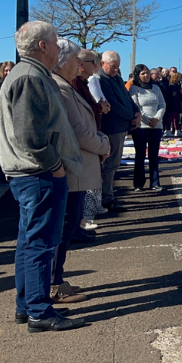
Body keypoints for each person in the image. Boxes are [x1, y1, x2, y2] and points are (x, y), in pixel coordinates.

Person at [0, 21, 85, 332]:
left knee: (30, 241)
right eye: (54, 40)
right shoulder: (30, 77)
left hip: (32, 173)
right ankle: (38, 311)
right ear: (43, 46)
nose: (59, 47)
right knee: (40, 244)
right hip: (37, 173)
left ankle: (27, 306)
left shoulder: (29, 74)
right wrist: (55, 166)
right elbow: (30, 135)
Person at [51, 39, 110, 302]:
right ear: (64, 60)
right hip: (72, 167)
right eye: (77, 59)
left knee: (69, 223)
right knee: (63, 227)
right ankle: (53, 283)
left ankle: (57, 278)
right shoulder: (60, 89)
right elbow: (78, 131)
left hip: (79, 165)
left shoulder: (68, 86)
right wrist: (102, 144)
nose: (81, 64)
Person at [99, 50, 141, 211]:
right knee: (111, 163)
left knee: (114, 163)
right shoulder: (101, 80)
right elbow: (113, 105)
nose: (116, 70)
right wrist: (131, 115)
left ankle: (108, 195)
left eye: (118, 67)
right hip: (112, 126)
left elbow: (127, 97)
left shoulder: (115, 77)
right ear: (103, 64)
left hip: (122, 125)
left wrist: (136, 111)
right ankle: (107, 197)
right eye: (113, 66)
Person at [74, 49, 108, 232]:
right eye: (92, 62)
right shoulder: (74, 83)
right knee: (84, 185)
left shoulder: (83, 82)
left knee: (90, 182)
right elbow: (82, 112)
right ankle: (82, 223)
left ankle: (84, 221)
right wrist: (99, 107)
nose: (96, 66)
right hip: (84, 140)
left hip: (93, 133)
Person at [129, 64, 166, 191]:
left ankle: (155, 182)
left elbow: (162, 104)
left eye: (147, 73)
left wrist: (156, 119)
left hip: (157, 126)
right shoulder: (134, 88)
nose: (146, 75)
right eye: (143, 73)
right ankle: (139, 183)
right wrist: (147, 120)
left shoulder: (156, 88)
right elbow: (135, 107)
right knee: (140, 155)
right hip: (141, 126)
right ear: (138, 75)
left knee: (154, 155)